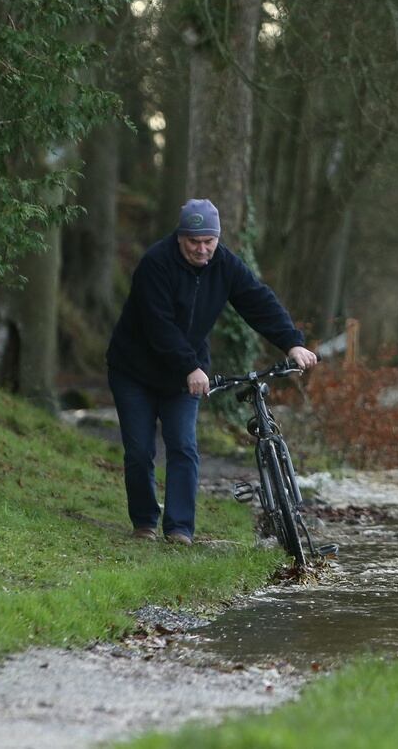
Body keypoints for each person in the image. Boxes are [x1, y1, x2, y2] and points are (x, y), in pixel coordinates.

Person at [106, 198, 318, 545]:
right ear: (180, 237)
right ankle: (144, 522)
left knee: (184, 446)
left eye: (209, 242)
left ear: (217, 239)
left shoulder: (224, 264)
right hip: (135, 370)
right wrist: (191, 366)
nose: (202, 250)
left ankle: (179, 530)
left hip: (184, 375)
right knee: (140, 450)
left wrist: (292, 343)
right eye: (194, 242)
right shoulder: (155, 264)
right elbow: (158, 325)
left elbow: (257, 300)